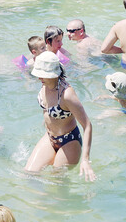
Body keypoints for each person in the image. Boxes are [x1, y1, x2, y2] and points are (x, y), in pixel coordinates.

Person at [25, 52, 94, 180]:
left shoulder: (67, 95)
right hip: (50, 137)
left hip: (69, 141)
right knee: (30, 174)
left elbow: (87, 125)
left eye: (43, 74)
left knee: (57, 183)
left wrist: (85, 160)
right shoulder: (44, 85)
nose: (39, 77)